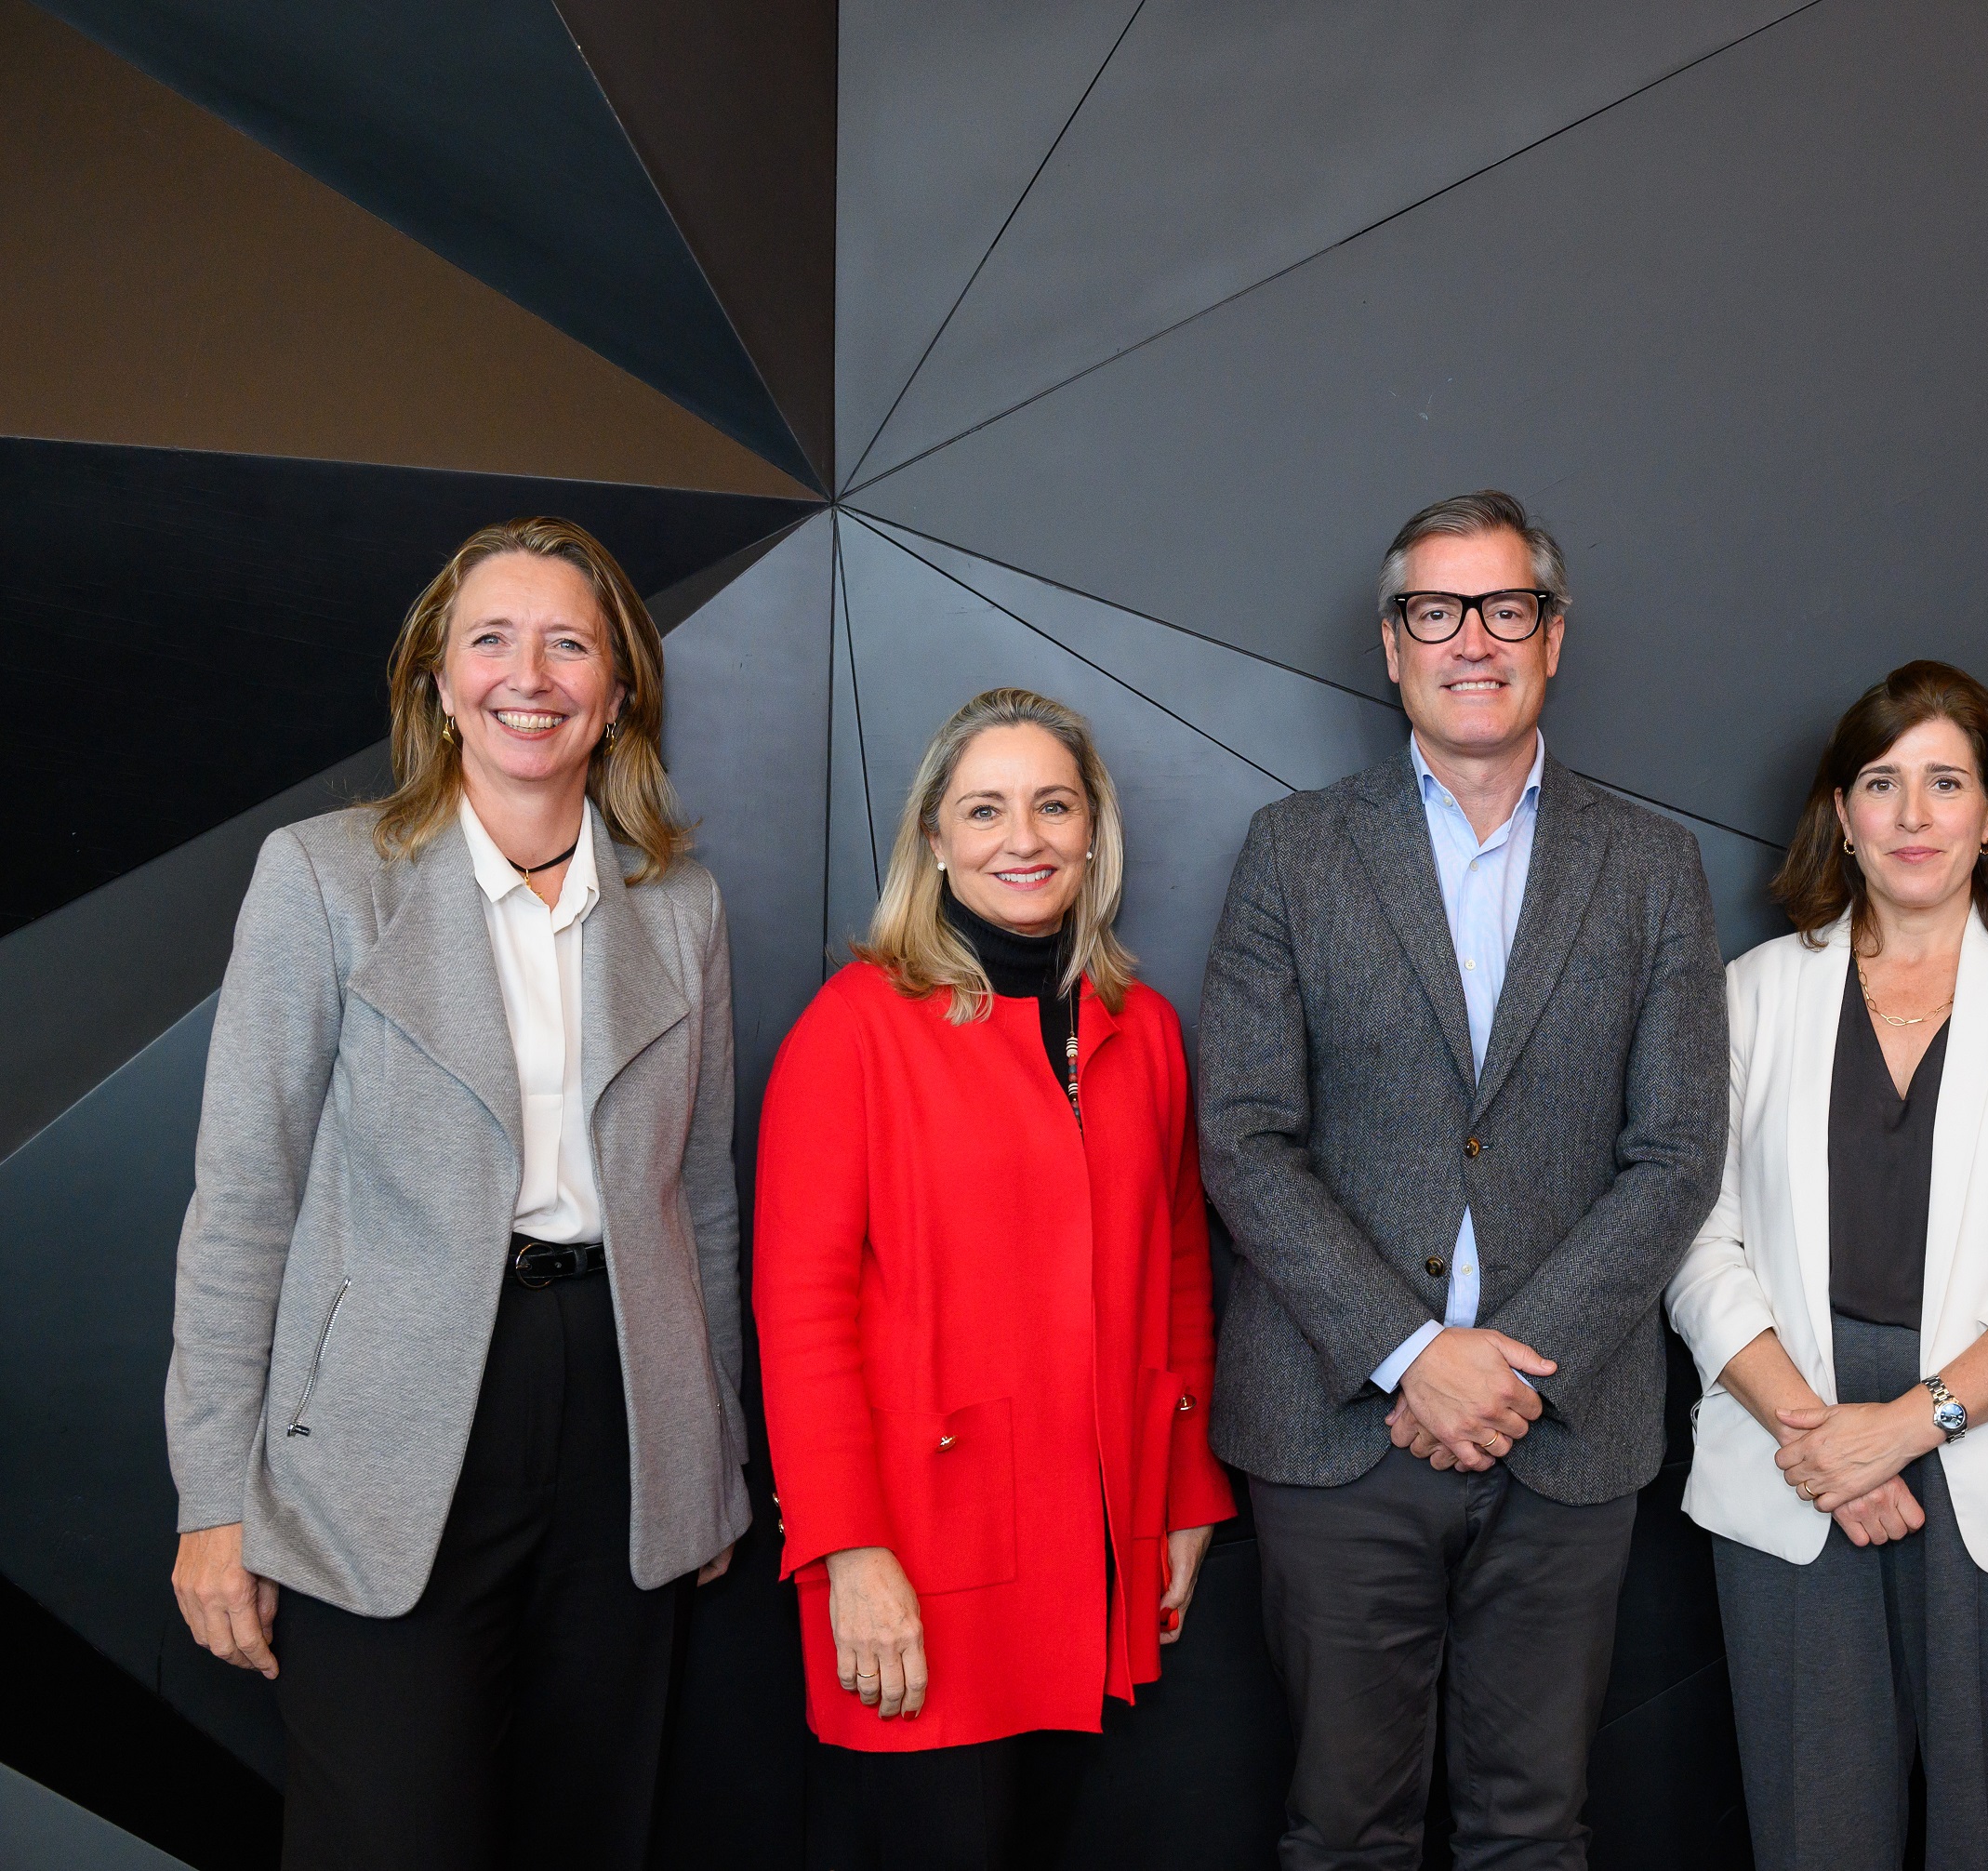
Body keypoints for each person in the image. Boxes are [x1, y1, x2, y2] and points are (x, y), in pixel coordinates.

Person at [164, 517, 749, 1869]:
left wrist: (708, 1452)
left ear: (618, 691)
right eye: (491, 639)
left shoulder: (681, 905)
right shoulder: (322, 878)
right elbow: (243, 1200)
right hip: (385, 1428)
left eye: (568, 644)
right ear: (438, 681)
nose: (527, 675)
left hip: (623, 1414)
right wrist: (211, 1497)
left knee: (588, 1828)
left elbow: (701, 1199)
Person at [1195, 489, 1728, 1869]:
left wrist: (1510, 1368)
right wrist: (1413, 1351)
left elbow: (1676, 1151)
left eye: (1505, 608)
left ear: (1553, 636)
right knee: (1344, 1833)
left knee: (1533, 1832)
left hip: (1565, 1432)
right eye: (1437, 611)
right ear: (1393, 645)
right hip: (1340, 1431)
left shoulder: (1652, 866)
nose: (1472, 640)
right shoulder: (1293, 851)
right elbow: (1243, 1135)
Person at [1665, 660, 1988, 1870]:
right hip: (1796, 1448)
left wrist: (1903, 1429)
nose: (1914, 815)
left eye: (1947, 782)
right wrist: (1824, 1438)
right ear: (1841, 813)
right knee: (1815, 1836)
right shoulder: (1752, 992)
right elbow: (1696, 1240)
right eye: (1882, 783)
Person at [753, 686, 1234, 1866]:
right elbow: (799, 1314)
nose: (1024, 838)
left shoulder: (1143, 1029)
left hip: (1099, 1548)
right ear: (934, 838)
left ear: (1093, 829)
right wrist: (847, 1550)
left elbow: (1181, 1268)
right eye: (985, 809)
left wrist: (1184, 1490)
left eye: (1053, 805)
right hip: (919, 1554)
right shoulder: (854, 1027)